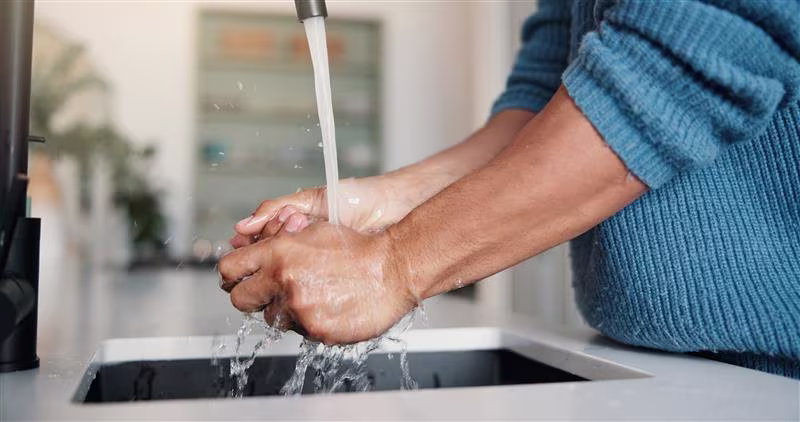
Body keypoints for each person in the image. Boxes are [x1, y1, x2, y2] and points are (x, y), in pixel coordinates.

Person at [218, 0, 800, 379]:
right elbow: (543, 100)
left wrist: (390, 266)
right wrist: (377, 207)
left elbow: (689, 53)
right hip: (638, 364)